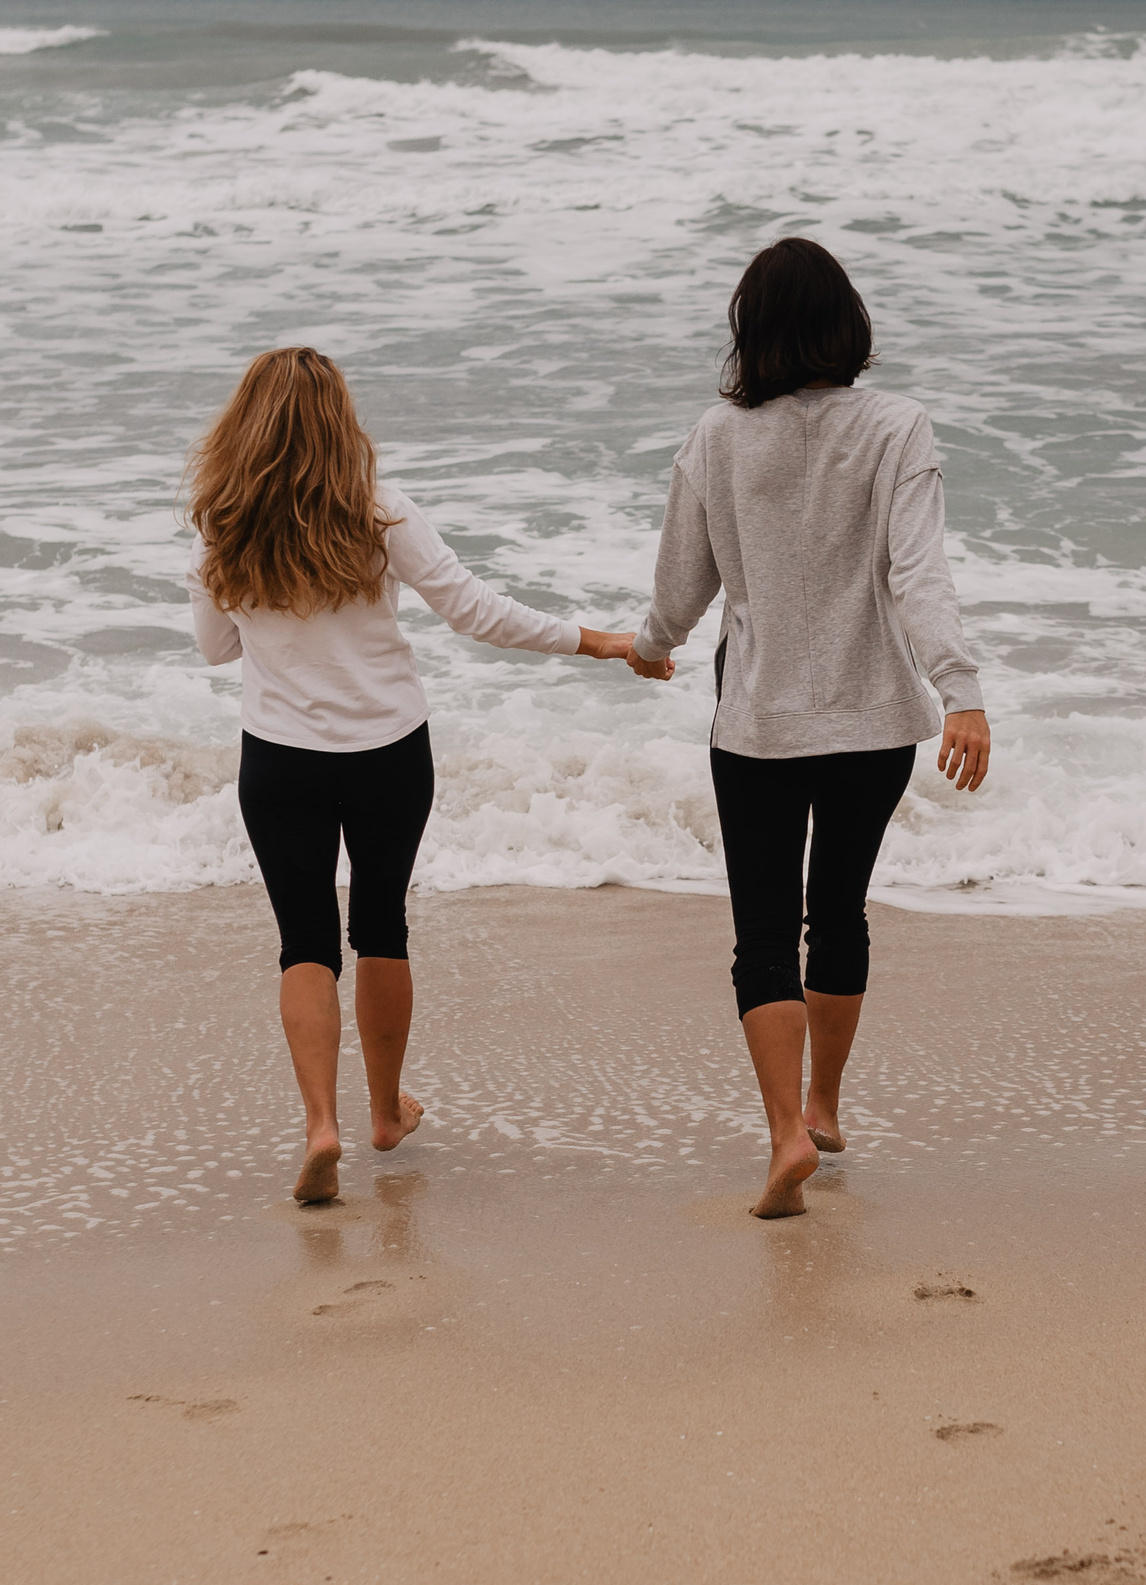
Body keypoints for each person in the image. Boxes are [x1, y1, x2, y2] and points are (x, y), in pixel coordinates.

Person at [186, 347, 656, 1204]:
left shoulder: (223, 518)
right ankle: (384, 1113)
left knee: (304, 942)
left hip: (280, 758)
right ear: (338, 418)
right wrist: (599, 640)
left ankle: (319, 1125)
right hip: (389, 752)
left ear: (245, 424)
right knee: (380, 924)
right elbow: (474, 609)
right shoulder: (379, 512)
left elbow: (214, 650)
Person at [630, 238, 991, 1220]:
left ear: (751, 331)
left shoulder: (715, 436)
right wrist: (958, 691)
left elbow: (681, 585)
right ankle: (825, 1105)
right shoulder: (897, 427)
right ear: (848, 323)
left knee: (761, 937)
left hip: (756, 724)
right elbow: (919, 574)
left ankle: (785, 1133)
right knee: (838, 915)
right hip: (874, 721)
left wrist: (651, 644)